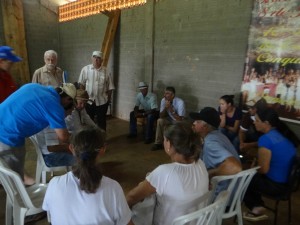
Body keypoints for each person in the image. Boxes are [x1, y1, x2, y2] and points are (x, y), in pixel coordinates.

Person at [43, 128, 133, 225]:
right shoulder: (113, 188)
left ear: (71, 148)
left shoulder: (54, 184)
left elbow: (52, 216)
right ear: (103, 150)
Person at [126, 123, 209, 225]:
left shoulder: (165, 172)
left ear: (169, 144)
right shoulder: (201, 164)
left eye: (164, 139)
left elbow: (131, 197)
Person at [0, 83, 76, 182]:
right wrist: (81, 140)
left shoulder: (35, 86)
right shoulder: (54, 105)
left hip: (5, 126)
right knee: (15, 182)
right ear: (68, 99)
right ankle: (20, 194)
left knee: (15, 175)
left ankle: (26, 184)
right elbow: (64, 137)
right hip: (7, 136)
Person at [243, 108, 299, 221]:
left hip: (276, 187)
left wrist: (253, 169)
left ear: (266, 123)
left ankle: (256, 207)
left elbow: (264, 170)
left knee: (244, 178)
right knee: (253, 176)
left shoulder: (266, 139)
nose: (254, 122)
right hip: (288, 185)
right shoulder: (283, 136)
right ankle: (258, 204)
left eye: (257, 120)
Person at [190, 107, 242, 179]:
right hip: (231, 185)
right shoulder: (218, 135)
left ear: (205, 126)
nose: (193, 123)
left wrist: (208, 174)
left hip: (222, 188)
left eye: (197, 121)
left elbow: (235, 167)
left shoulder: (211, 143)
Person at [78, 51, 115, 131]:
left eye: (98, 58)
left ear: (102, 60)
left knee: (101, 121)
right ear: (92, 58)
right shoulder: (85, 69)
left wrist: (108, 100)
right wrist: (82, 98)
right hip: (89, 101)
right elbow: (81, 84)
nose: (96, 60)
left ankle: (102, 139)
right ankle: (90, 140)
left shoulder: (106, 71)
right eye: (94, 57)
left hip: (102, 101)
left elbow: (110, 87)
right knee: (89, 121)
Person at [151, 86, 185, 151]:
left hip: (178, 121)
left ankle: (174, 145)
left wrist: (170, 109)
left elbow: (180, 119)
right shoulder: (163, 100)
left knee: (178, 123)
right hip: (169, 119)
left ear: (172, 95)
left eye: (167, 93)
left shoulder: (180, 102)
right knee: (160, 120)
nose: (164, 95)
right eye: (164, 93)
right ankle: (158, 143)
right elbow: (161, 116)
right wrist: (166, 108)